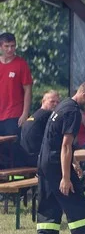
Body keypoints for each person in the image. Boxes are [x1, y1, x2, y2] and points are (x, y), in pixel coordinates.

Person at [35, 80, 85, 234]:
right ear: (84, 95)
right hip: (56, 165)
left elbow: (57, 140)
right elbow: (66, 145)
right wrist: (66, 178)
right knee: (75, 200)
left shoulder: (64, 105)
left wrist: (74, 162)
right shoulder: (73, 112)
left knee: (49, 204)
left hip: (45, 162)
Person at [0, 32, 34, 166]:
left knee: (13, 148)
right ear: (1, 46)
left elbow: (28, 89)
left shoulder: (21, 64)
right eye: (7, 46)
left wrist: (25, 113)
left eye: (13, 46)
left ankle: (19, 182)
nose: (10, 49)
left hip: (14, 114)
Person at [19, 89, 61, 161]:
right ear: (43, 101)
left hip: (25, 157)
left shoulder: (36, 115)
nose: (55, 104)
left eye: (58, 102)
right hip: (37, 158)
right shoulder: (48, 115)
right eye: (52, 101)